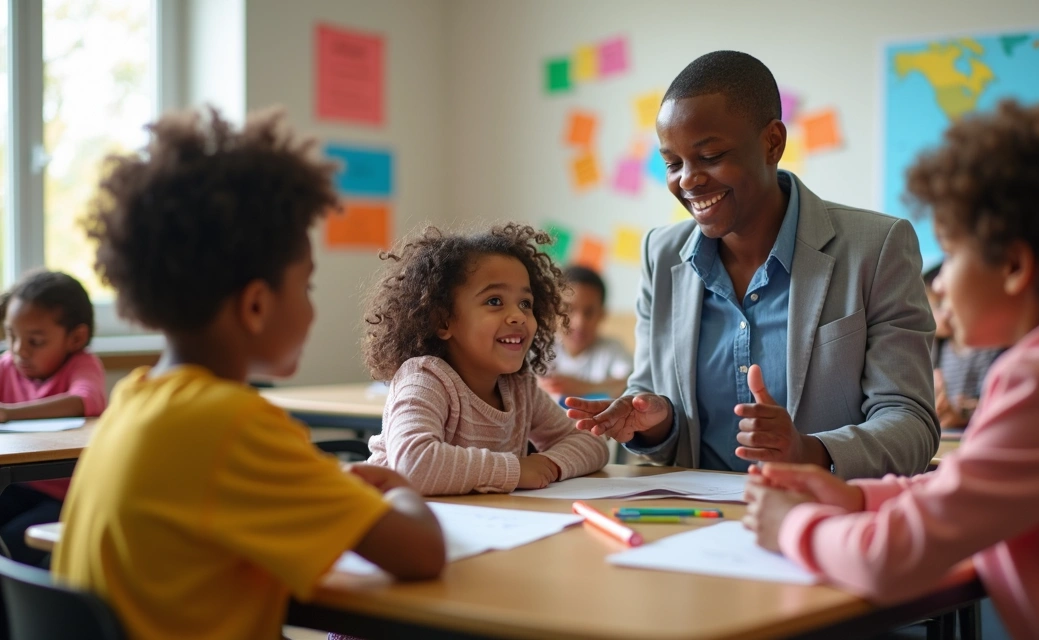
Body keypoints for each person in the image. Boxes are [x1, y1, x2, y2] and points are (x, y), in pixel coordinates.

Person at [743, 100, 1039, 640]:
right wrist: (854, 497)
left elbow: (889, 559)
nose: (938, 285)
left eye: (951, 253)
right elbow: (961, 490)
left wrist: (791, 526)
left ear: (1014, 266)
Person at [53, 108, 446, 640]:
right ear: (256, 305)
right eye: (306, 287)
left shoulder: (135, 401)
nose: (311, 309)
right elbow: (421, 553)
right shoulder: (231, 423)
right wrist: (399, 490)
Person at [567, 51, 937, 477]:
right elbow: (652, 401)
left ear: (772, 142)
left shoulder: (875, 248)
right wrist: (655, 422)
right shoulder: (661, 254)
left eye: (710, 156)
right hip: (693, 523)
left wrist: (810, 451)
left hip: (818, 521)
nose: (687, 179)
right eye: (672, 163)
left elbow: (912, 425)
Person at [360, 224, 608, 496]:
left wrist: (549, 463)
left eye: (525, 303)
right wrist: (516, 470)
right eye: (494, 301)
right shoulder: (425, 379)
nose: (518, 316)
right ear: (443, 320)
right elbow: (414, 464)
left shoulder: (519, 388)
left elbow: (590, 442)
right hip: (397, 528)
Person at [0, 270, 106, 566]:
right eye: (11, 335)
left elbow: (85, 401)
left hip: (68, 498)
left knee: (13, 541)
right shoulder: (6, 365)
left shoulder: (82, 364)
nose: (19, 350)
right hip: (15, 486)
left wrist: (9, 413)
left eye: (35, 341)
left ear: (76, 338)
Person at [923, 263, 1003, 429]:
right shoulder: (938, 348)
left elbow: (994, 404)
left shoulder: (987, 349)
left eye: (939, 304)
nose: (943, 312)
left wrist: (964, 412)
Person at [537, 266, 632, 401]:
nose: (579, 323)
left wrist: (583, 387)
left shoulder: (612, 350)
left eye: (589, 312)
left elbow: (630, 383)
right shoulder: (540, 348)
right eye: (569, 309)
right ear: (554, 311)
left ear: (602, 315)